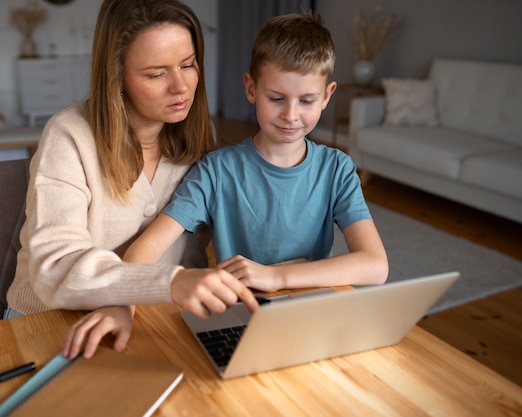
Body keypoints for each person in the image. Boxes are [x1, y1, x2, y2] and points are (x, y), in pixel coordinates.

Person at [64, 11, 389, 359]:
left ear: (327, 96)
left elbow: (375, 265)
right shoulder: (216, 170)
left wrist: (275, 277)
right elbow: (144, 251)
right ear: (251, 88)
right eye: (276, 98)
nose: (291, 115)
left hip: (308, 313)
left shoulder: (337, 169)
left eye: (306, 101)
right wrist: (122, 306)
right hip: (241, 315)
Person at [5, 0, 258, 355]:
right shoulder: (69, 135)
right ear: (116, 75)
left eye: (188, 64)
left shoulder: (200, 136)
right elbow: (55, 265)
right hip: (51, 322)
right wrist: (169, 282)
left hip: (159, 319)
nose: (181, 87)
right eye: (156, 74)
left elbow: (200, 251)